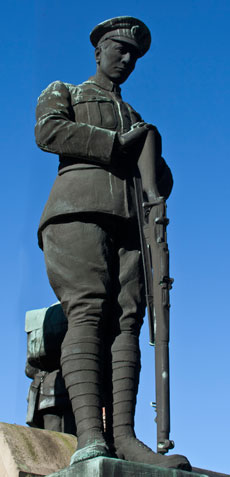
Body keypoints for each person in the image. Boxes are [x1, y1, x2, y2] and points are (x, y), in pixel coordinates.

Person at [35, 16, 191, 470]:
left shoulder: (138, 118)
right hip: (77, 210)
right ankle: (90, 438)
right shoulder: (64, 90)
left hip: (131, 225)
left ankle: (125, 437)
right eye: (118, 49)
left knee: (128, 321)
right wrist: (116, 144)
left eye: (134, 55)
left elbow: (158, 183)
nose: (126, 59)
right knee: (89, 310)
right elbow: (49, 131)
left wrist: (152, 156)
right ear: (99, 50)